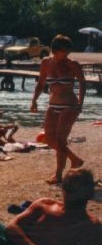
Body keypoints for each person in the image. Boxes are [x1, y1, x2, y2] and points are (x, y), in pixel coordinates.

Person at [30, 34, 86, 184]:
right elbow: (41, 83)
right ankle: (75, 160)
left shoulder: (73, 64)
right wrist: (34, 100)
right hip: (53, 105)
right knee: (49, 139)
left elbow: (82, 83)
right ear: (56, 50)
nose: (67, 54)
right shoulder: (46, 63)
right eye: (64, 51)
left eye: (68, 51)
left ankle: (58, 174)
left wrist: (80, 103)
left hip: (69, 105)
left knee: (61, 140)